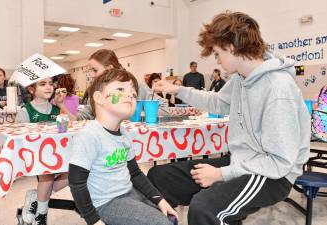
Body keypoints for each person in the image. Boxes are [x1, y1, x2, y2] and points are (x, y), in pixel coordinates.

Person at [148, 11, 311, 225]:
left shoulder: (277, 88)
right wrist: (177, 90)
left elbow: (280, 162)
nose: (216, 59)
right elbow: (218, 102)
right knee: (159, 178)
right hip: (242, 162)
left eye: (217, 53)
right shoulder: (242, 79)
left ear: (231, 47)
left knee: (206, 208)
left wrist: (222, 174)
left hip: (273, 176)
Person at [68, 68, 178, 225]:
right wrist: (93, 220)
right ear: (99, 98)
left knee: (170, 219)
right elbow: (76, 182)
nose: (130, 95)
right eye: (120, 89)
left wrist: (160, 200)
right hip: (106, 203)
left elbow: (135, 173)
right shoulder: (90, 135)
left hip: (128, 192)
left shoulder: (123, 132)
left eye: (133, 94)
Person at [16, 77, 73, 225]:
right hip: (36, 158)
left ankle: (35, 196)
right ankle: (41, 215)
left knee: (75, 172)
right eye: (42, 84)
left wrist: (62, 106)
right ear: (31, 89)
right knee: (47, 175)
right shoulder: (25, 111)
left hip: (57, 155)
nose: (48, 87)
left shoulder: (56, 110)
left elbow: (68, 131)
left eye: (50, 84)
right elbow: (19, 140)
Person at [77, 49, 168, 120]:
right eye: (90, 71)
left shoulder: (137, 87)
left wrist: (138, 113)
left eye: (95, 70)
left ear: (109, 68)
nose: (91, 75)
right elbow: (84, 116)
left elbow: (164, 109)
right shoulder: (95, 90)